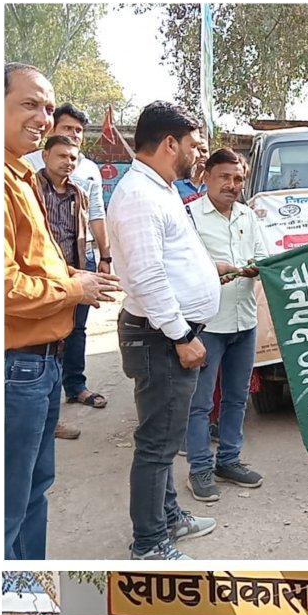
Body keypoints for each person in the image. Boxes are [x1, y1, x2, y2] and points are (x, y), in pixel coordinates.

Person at [5, 62, 119, 559]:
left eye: (48, 107)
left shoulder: (19, 175)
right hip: (18, 363)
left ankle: (25, 596)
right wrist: (73, 288)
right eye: (30, 103)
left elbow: (34, 262)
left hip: (41, 363)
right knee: (8, 503)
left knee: (32, 491)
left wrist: (74, 277)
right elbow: (4, 286)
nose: (43, 117)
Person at [108, 101, 221, 560]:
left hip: (168, 335)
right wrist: (181, 336)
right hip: (161, 340)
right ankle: (150, 543)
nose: (198, 153)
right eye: (193, 145)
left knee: (167, 436)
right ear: (169, 143)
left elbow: (171, 261)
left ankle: (169, 517)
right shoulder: (138, 196)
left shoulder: (160, 188)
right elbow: (148, 277)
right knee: (156, 446)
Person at [186, 148, 268, 502]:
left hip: (244, 320)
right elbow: (183, 263)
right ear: (206, 175)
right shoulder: (189, 216)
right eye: (224, 177)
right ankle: (200, 468)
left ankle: (229, 460)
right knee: (200, 403)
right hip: (208, 324)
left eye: (237, 179)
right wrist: (214, 268)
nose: (231, 185)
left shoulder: (248, 217)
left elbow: (264, 257)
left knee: (237, 398)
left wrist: (255, 267)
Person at [24, 101, 113, 420]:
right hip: (41, 265)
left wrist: (105, 256)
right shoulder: (27, 167)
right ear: (51, 131)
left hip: (80, 258)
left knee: (76, 327)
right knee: (43, 327)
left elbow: (97, 215)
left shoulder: (85, 171)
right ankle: (41, 397)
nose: (73, 136)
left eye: (78, 131)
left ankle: (75, 386)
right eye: (67, 129)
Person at [174, 133, 209, 208]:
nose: (200, 155)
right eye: (196, 150)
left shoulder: (213, 184)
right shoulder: (174, 184)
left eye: (204, 151)